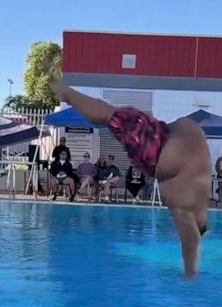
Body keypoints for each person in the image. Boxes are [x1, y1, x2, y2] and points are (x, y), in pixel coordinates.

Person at [51, 80, 211, 277]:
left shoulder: (196, 162)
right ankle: (190, 276)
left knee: (109, 113)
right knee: (185, 216)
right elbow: (191, 240)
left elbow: (193, 234)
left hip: (170, 132)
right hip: (168, 156)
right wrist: (190, 274)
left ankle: (69, 94)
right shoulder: (188, 186)